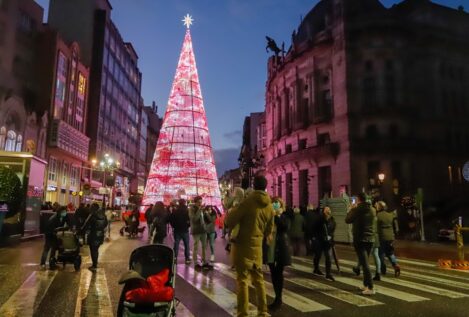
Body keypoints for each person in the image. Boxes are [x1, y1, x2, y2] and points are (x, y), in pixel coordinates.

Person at [225, 175, 274, 317]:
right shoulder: (269, 205)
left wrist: (233, 209)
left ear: (254, 185)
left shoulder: (248, 202)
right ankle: (263, 311)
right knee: (259, 280)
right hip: (257, 247)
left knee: (242, 280)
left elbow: (230, 221)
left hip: (243, 246)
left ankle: (243, 312)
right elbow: (270, 230)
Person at [345, 192, 376, 295]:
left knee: (365, 263)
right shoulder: (372, 209)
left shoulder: (357, 209)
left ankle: (370, 287)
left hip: (360, 239)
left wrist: (350, 209)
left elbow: (348, 220)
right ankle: (366, 284)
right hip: (370, 238)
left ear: (358, 199)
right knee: (364, 262)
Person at [265, 197, 291, 311]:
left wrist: (275, 215)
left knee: (278, 275)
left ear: (281, 205)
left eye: (277, 203)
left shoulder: (284, 216)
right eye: (273, 202)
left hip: (280, 249)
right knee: (273, 275)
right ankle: (277, 298)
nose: (274, 204)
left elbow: (284, 227)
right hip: (270, 248)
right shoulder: (269, 216)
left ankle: (278, 298)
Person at [352, 207, 381, 281]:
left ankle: (359, 269)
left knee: (363, 255)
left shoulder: (367, 218)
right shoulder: (376, 218)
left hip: (369, 237)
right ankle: (378, 273)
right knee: (376, 255)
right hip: (376, 237)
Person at [376, 201, 401, 277]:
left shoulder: (378, 216)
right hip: (390, 237)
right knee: (390, 252)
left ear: (379, 207)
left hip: (382, 237)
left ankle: (383, 269)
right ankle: (395, 264)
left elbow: (376, 228)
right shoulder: (390, 215)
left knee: (381, 254)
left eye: (377, 206)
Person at [81, 203, 108, 272]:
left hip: (93, 235)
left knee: (93, 250)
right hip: (100, 234)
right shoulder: (103, 214)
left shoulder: (92, 215)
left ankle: (94, 265)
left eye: (91, 207)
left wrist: (83, 230)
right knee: (96, 249)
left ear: (93, 208)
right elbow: (106, 223)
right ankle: (95, 263)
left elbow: (86, 224)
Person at [313, 206, 336, 281]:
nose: (328, 210)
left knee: (328, 257)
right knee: (318, 255)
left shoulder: (332, 219)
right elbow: (315, 228)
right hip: (319, 240)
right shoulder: (320, 218)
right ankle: (316, 268)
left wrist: (330, 237)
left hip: (328, 242)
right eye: (326, 209)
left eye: (329, 209)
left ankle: (328, 274)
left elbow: (333, 229)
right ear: (323, 211)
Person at [190, 196, 211, 269]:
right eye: (198, 202)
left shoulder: (202, 209)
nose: (200, 203)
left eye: (201, 202)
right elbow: (194, 219)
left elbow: (209, 220)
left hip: (203, 230)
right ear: (195, 202)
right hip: (196, 231)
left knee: (204, 246)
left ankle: (204, 261)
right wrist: (199, 210)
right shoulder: (192, 209)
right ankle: (195, 262)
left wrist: (206, 212)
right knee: (196, 246)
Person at [169, 199, 191, 264]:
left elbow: (171, 220)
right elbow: (190, 220)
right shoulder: (187, 211)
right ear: (184, 203)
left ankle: (175, 258)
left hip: (177, 230)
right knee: (186, 245)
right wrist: (187, 225)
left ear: (179, 203)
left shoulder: (175, 211)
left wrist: (174, 226)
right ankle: (187, 259)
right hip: (185, 230)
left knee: (176, 245)